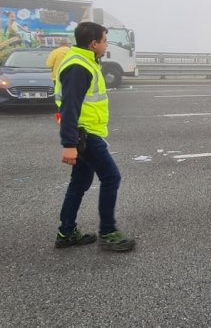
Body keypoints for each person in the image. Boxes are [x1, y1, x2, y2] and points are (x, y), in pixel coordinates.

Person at [53, 22, 135, 252]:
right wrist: (68, 144)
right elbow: (69, 107)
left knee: (79, 182)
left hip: (86, 133)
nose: (106, 44)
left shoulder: (84, 61)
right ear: (93, 43)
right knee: (111, 177)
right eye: (105, 40)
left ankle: (66, 232)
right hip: (85, 135)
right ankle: (108, 232)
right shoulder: (79, 67)